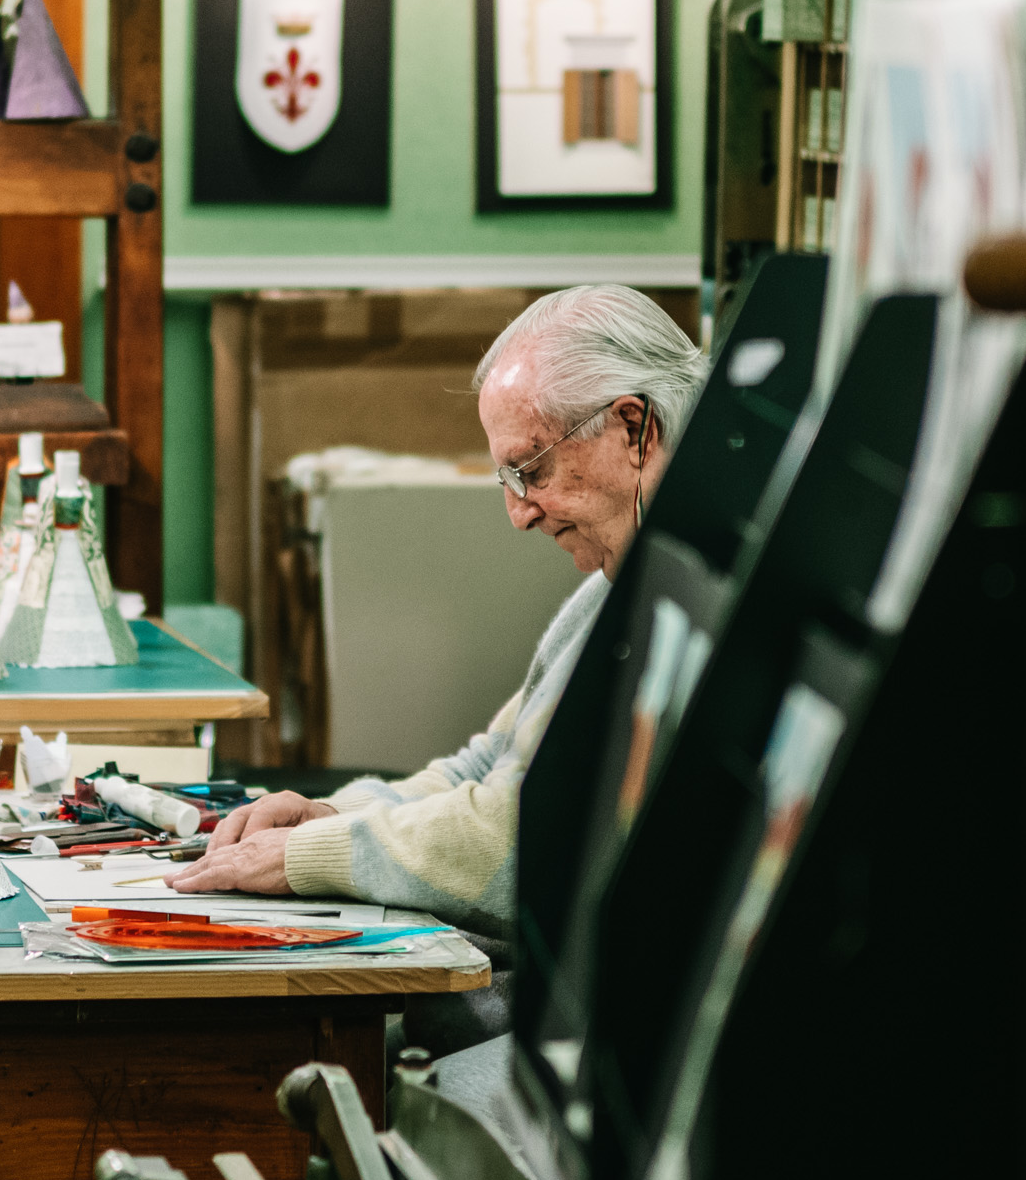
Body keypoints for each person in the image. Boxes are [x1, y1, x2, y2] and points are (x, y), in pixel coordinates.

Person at [167, 284, 705, 937]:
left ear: (634, 429)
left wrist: (310, 855)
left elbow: (533, 836)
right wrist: (334, 816)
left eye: (531, 469)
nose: (519, 514)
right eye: (508, 480)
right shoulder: (616, 584)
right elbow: (488, 765)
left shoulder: (700, 609)